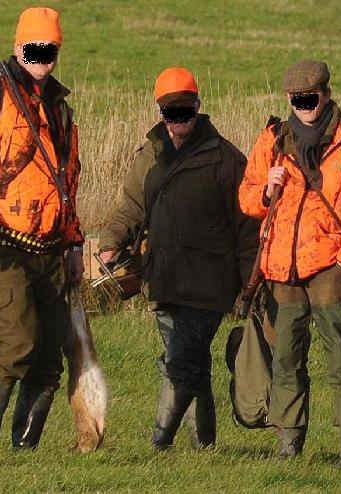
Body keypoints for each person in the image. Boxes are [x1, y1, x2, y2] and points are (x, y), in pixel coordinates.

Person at [0, 7, 85, 450]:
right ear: (18, 47)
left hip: (51, 248)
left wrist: (75, 242)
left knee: (49, 360)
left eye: (51, 48)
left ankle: (24, 451)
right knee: (20, 341)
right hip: (1, 242)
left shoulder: (60, 109)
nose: (44, 56)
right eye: (35, 47)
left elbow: (68, 182)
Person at [98, 67, 259, 451]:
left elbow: (247, 228)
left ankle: (159, 442)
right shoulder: (150, 153)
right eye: (171, 111)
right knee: (192, 363)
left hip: (208, 281)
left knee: (180, 363)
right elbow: (131, 206)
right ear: (161, 112)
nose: (178, 118)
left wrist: (248, 285)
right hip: (163, 277)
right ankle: (204, 445)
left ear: (198, 107)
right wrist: (110, 242)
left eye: (185, 110)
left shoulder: (225, 159)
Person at [239, 60, 341, 463]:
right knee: (285, 360)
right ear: (288, 99)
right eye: (296, 98)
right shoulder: (271, 140)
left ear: (326, 94)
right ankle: (288, 449)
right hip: (281, 269)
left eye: (310, 97)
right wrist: (266, 192)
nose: (303, 104)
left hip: (330, 270)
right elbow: (246, 198)